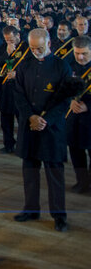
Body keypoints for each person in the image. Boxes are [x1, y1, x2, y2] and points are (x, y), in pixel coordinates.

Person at [14, 28, 72, 232]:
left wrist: (45, 120)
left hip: (52, 128)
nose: (36, 52)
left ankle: (59, 215)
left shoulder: (61, 66)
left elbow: (65, 99)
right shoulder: (24, 65)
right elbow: (18, 94)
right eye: (32, 48)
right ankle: (31, 208)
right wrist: (30, 116)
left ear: (48, 44)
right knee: (29, 171)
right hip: (29, 125)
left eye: (39, 48)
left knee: (54, 173)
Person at [67, 35, 91, 194]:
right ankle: (82, 182)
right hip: (73, 118)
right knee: (75, 151)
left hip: (89, 118)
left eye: (84, 53)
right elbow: (60, 88)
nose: (80, 57)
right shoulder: (68, 66)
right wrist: (69, 101)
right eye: (77, 53)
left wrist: (88, 106)